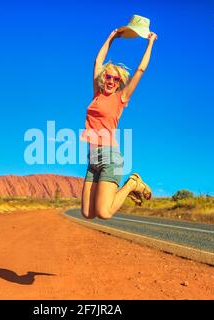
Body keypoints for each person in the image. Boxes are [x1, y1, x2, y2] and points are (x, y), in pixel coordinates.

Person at [80, 28, 157, 220]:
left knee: (104, 213)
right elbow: (97, 62)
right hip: (93, 159)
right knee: (87, 213)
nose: (111, 81)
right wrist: (111, 37)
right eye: (108, 77)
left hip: (110, 157)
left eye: (116, 79)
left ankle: (132, 183)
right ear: (103, 77)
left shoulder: (121, 98)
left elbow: (140, 70)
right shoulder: (96, 95)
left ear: (119, 82)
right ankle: (130, 186)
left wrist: (150, 43)